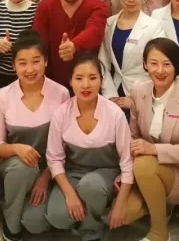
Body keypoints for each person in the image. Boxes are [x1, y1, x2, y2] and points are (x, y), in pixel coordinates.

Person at [0, 30, 71, 241]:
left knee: (36, 223)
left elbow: (65, 145)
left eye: (36, 61)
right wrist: (16, 148)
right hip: (16, 167)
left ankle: (25, 204)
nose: (30, 69)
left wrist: (45, 177)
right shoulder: (1, 96)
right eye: (22, 63)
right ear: (13, 66)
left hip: (52, 168)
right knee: (22, 169)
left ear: (45, 62)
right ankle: (11, 227)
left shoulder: (61, 93)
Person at [123, 38, 179, 241]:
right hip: (146, 171)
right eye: (153, 63)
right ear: (145, 64)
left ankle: (159, 232)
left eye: (167, 64)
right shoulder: (138, 90)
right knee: (123, 214)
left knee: (144, 163)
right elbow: (133, 136)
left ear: (176, 66)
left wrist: (154, 150)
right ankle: (161, 207)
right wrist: (125, 174)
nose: (160, 70)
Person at [45, 54, 134, 240]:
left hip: (106, 173)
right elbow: (54, 158)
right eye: (79, 78)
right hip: (73, 172)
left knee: (91, 187)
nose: (86, 85)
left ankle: (92, 231)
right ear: (70, 81)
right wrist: (70, 194)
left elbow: (127, 162)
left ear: (101, 80)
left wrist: (121, 202)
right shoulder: (61, 113)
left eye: (92, 78)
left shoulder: (114, 114)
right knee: (57, 217)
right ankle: (91, 211)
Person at [32, 0, 108, 88]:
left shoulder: (98, 6)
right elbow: (38, 45)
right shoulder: (45, 7)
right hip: (51, 85)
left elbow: (95, 31)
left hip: (88, 85)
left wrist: (74, 46)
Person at [99, 0, 165, 108]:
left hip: (143, 96)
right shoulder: (109, 23)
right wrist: (110, 95)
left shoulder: (154, 26)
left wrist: (137, 99)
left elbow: (159, 66)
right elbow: (103, 63)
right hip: (114, 94)